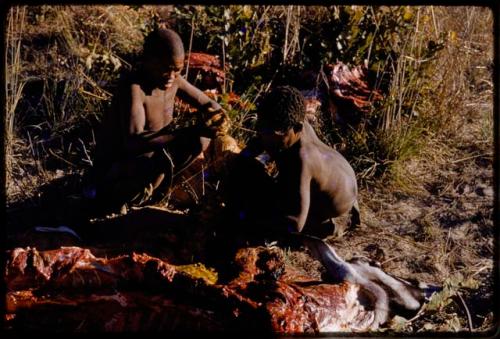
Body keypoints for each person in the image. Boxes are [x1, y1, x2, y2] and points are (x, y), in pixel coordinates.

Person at [88, 28, 228, 214]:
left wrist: (218, 116)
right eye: (165, 69)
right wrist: (190, 131)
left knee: (200, 140)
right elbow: (134, 142)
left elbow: (207, 103)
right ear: (148, 61)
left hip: (156, 160)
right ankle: (118, 201)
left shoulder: (174, 80)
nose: (171, 76)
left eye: (176, 70)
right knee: (148, 160)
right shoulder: (134, 88)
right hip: (120, 169)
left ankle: (156, 192)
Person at [223, 86, 359, 240]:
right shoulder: (289, 123)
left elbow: (294, 224)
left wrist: (245, 214)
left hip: (328, 218)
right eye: (262, 132)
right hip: (334, 186)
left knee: (252, 211)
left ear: (297, 128)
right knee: (248, 171)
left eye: (274, 136)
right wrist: (243, 160)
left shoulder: (303, 159)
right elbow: (255, 148)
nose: (266, 141)